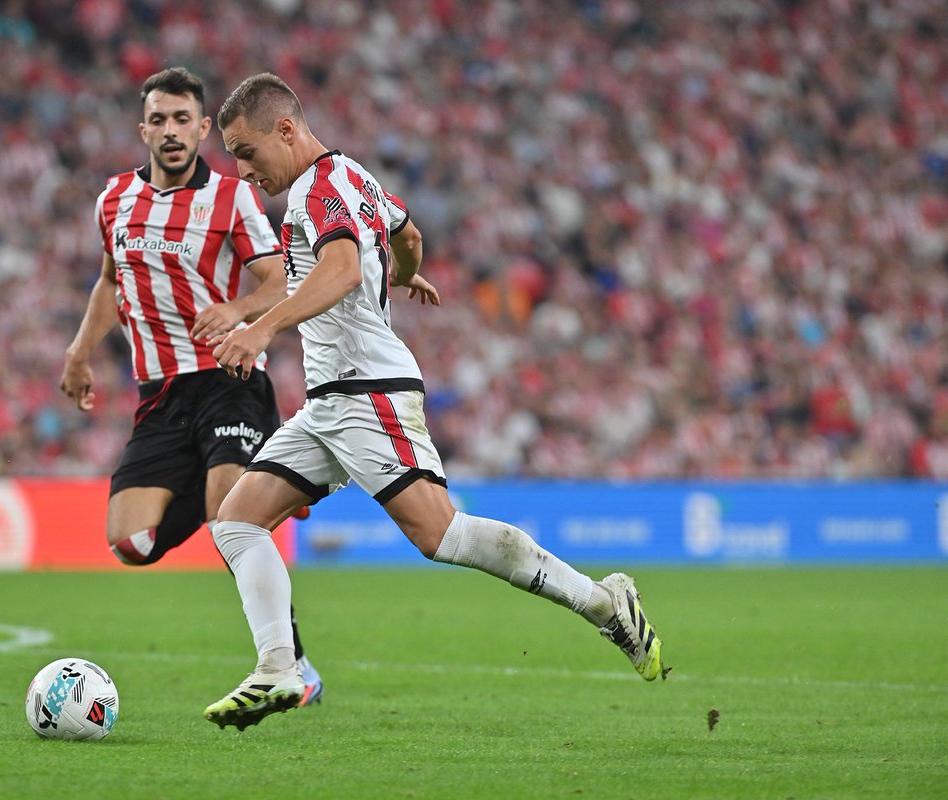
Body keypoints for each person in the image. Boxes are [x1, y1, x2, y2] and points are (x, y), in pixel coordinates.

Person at [200, 73, 668, 731]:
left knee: (440, 534)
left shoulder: (319, 191)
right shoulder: (354, 179)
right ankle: (281, 667)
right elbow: (408, 232)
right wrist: (403, 270)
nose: (244, 171)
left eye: (248, 153)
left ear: (285, 129)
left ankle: (605, 604)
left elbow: (338, 270)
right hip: (332, 401)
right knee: (236, 520)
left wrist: (262, 326)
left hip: (369, 391)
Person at [59, 67, 323, 706]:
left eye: (183, 119)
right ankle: (272, 485)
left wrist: (236, 309)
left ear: (204, 128)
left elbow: (279, 282)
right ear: (142, 128)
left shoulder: (232, 198)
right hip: (160, 394)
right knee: (131, 542)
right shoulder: (114, 199)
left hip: (229, 380)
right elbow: (108, 281)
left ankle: (293, 663)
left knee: (227, 512)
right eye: (159, 119)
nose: (171, 131)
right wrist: (79, 351)